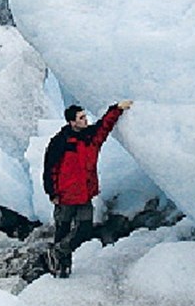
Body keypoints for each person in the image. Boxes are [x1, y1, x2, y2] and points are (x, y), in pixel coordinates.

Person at [42, 99, 133, 278]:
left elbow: (105, 125)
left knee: (84, 229)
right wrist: (52, 192)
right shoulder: (60, 142)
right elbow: (49, 168)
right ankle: (62, 269)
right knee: (63, 230)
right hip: (65, 195)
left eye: (85, 117)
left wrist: (117, 109)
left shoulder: (92, 136)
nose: (85, 120)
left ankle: (57, 252)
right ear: (72, 122)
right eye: (81, 118)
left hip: (84, 194)